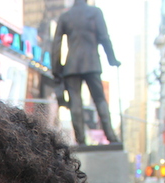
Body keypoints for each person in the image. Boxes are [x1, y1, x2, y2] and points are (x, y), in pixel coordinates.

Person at [51, 0, 121, 145]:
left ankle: (80, 140)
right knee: (100, 99)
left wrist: (56, 68)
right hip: (92, 63)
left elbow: (56, 44)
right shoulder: (95, 12)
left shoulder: (65, 16)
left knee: (75, 102)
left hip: (72, 66)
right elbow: (104, 37)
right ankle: (111, 137)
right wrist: (112, 59)